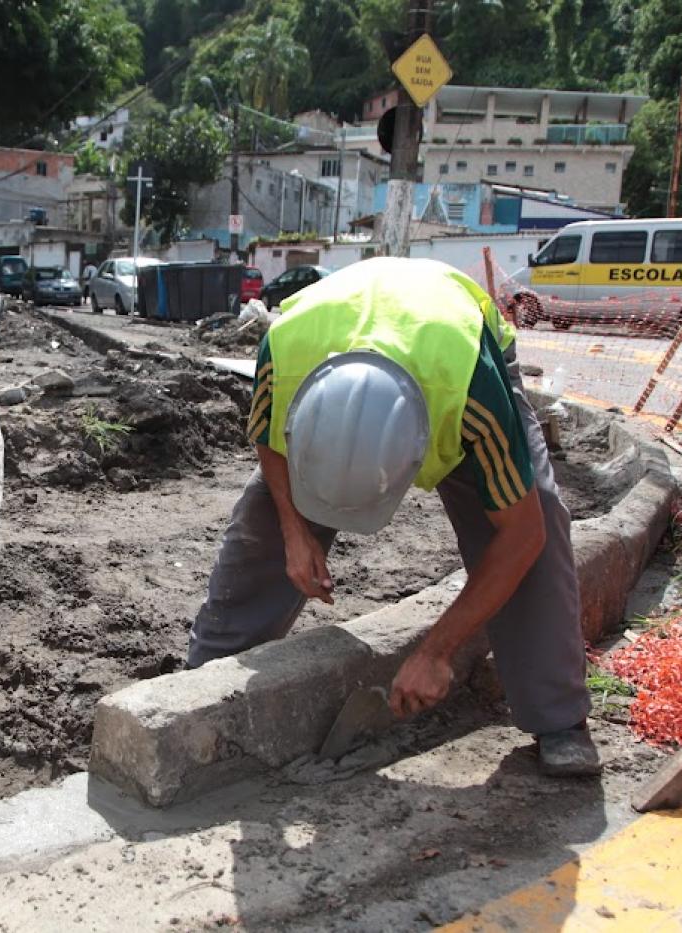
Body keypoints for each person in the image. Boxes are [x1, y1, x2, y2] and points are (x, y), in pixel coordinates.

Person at [186, 256, 600, 777]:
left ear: (417, 456)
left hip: (457, 349)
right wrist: (294, 531)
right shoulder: (285, 348)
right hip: (342, 336)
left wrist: (437, 651)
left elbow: (523, 535)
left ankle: (558, 716)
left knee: (534, 513)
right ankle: (203, 679)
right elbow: (266, 434)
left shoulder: (471, 396)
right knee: (264, 519)